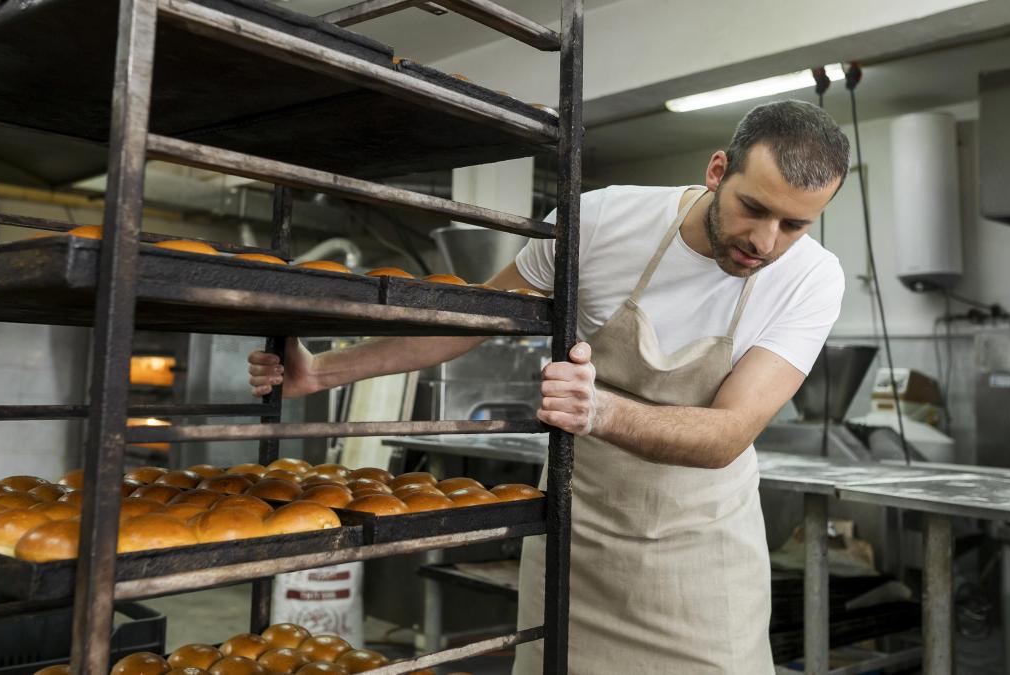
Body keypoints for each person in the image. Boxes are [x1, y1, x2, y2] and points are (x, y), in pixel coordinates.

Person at [247, 99, 849, 674]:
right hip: (577, 531)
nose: (765, 243)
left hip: (703, 547)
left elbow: (728, 434)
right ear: (717, 171)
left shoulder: (811, 279)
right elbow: (476, 320)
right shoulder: (601, 222)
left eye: (794, 225)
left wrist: (601, 412)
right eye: (753, 208)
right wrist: (325, 370)